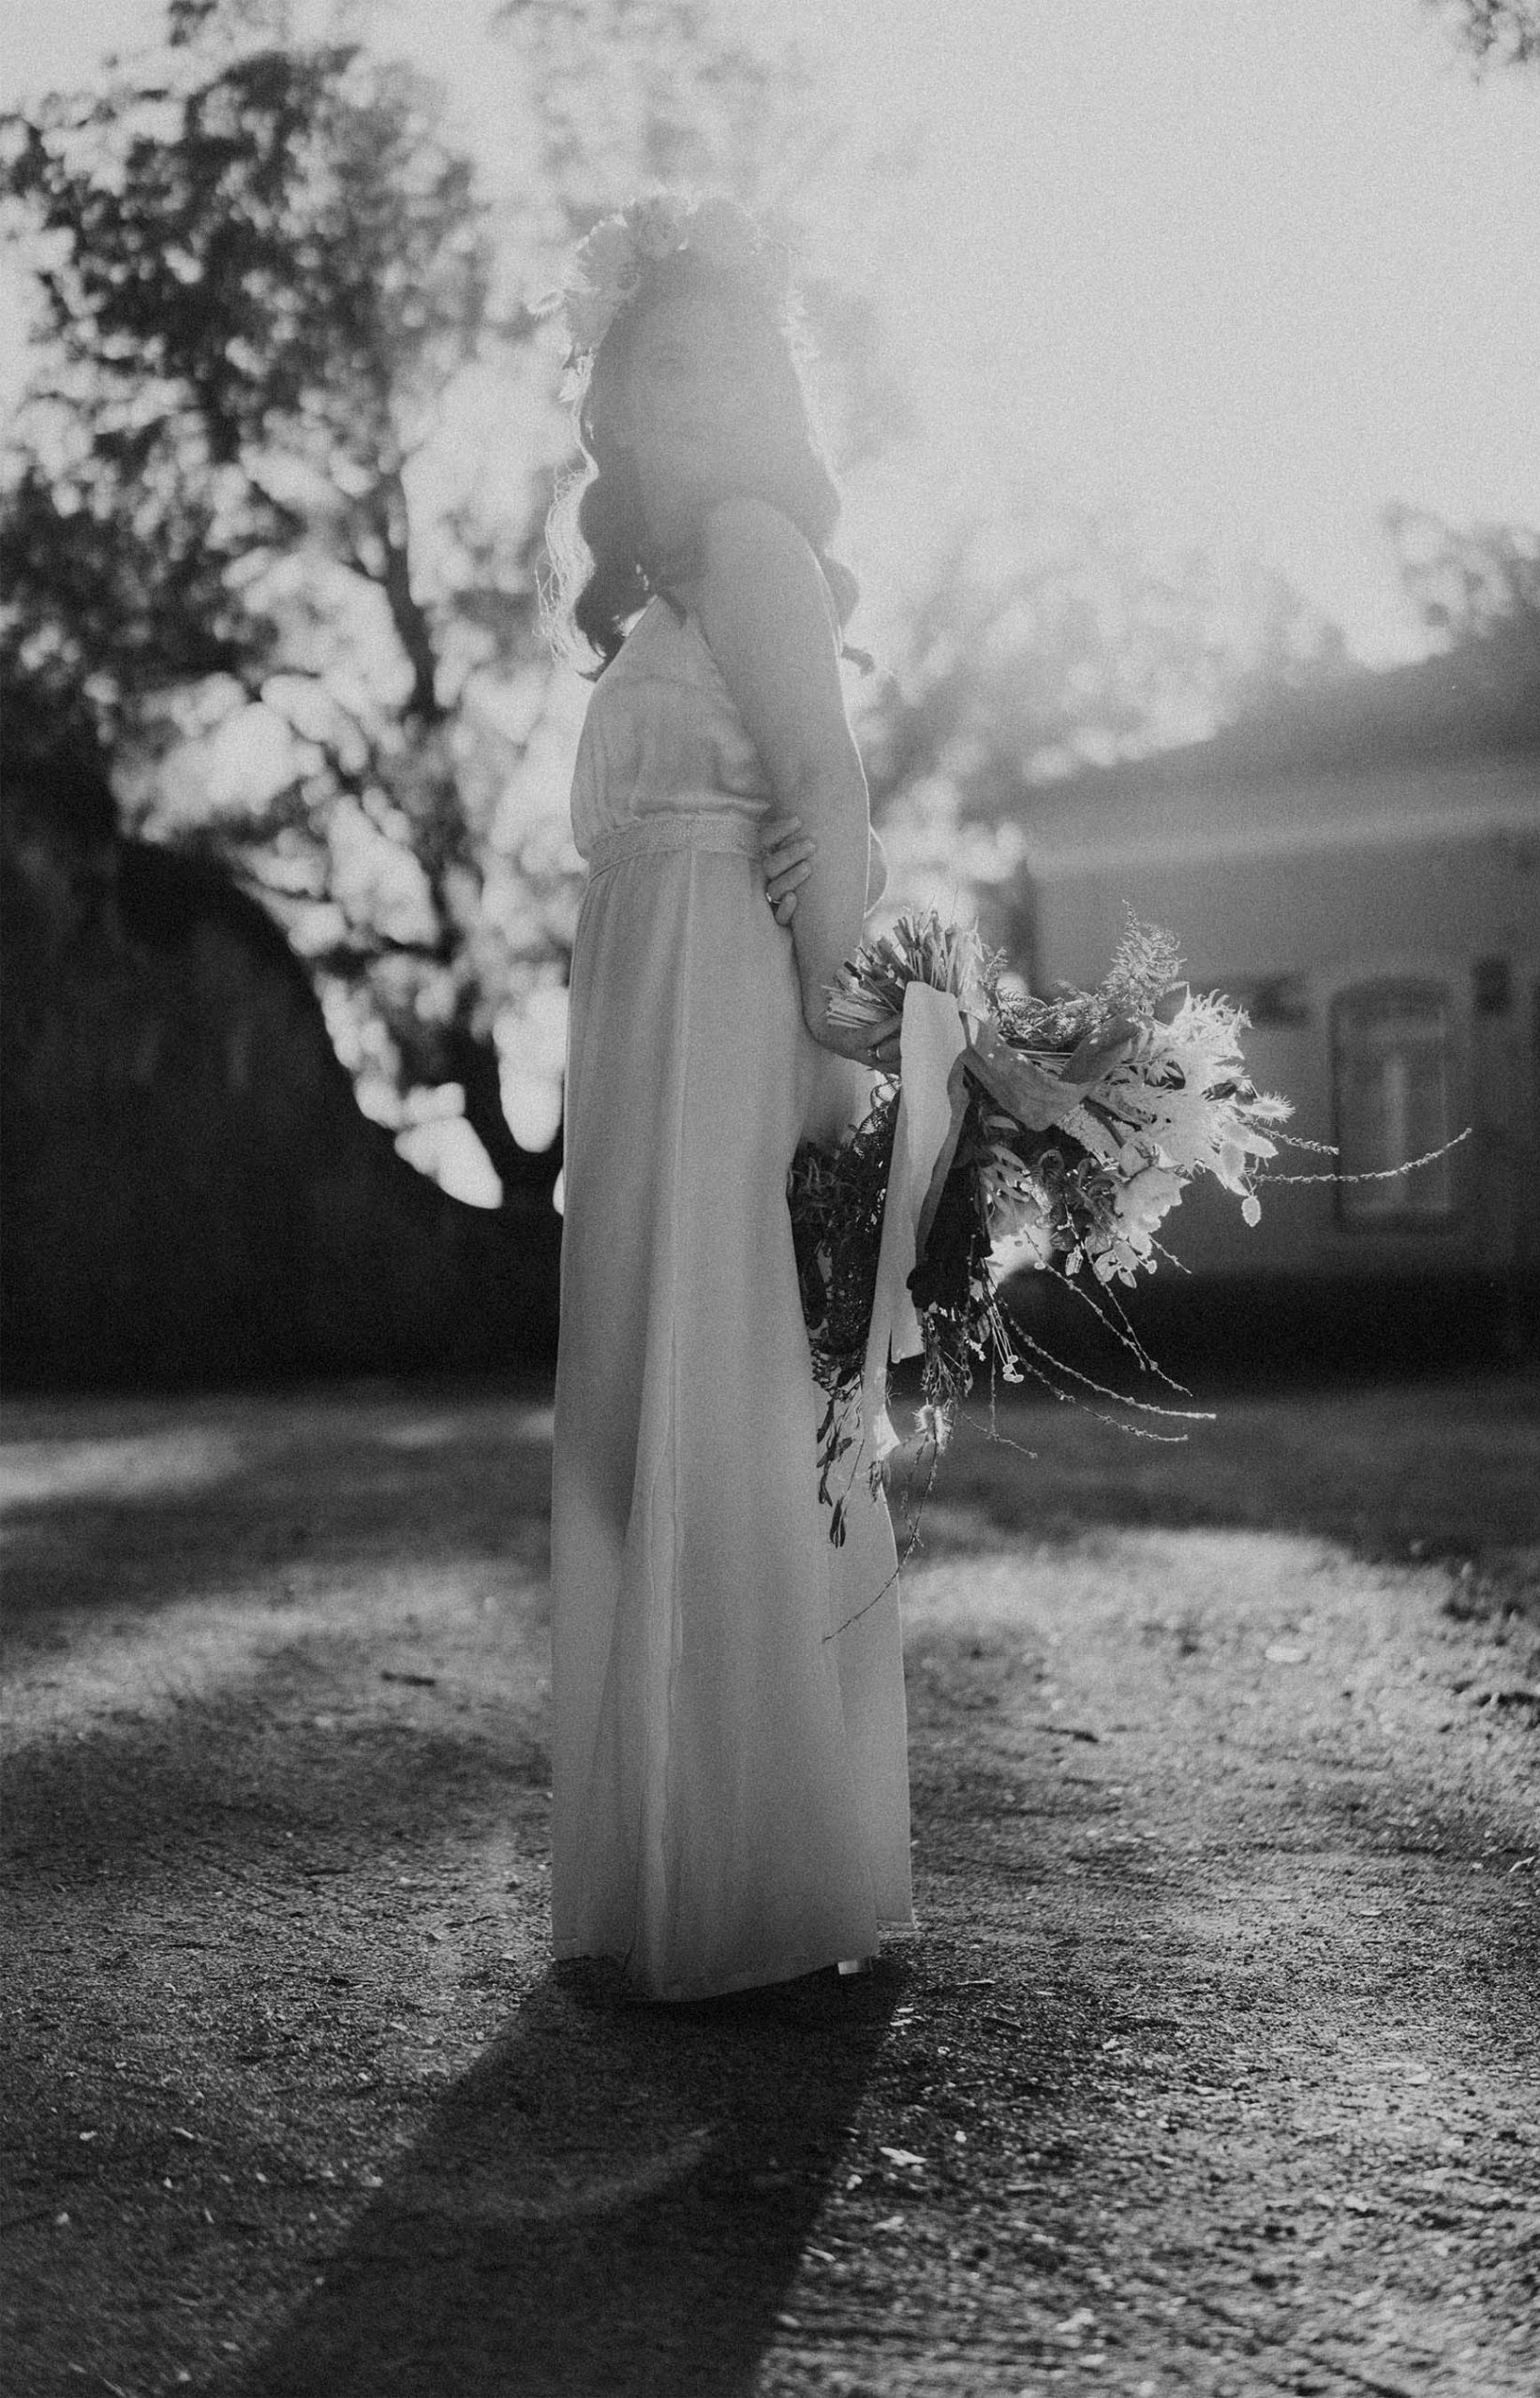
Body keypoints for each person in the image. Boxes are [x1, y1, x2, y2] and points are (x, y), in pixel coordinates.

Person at [543, 194, 913, 2002]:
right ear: (606, 402)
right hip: (635, 1037)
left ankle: (755, 1876)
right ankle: (655, 1855)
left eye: (727, 362)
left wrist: (851, 1084)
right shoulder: (641, 608)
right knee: (635, 1416)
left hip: (729, 1035)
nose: (692, 391)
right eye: (659, 362)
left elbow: (830, 802)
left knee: (727, 1414)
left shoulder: (760, 546)